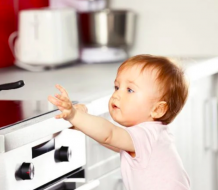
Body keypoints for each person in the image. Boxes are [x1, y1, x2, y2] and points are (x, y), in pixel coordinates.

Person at [48, 54, 190, 190]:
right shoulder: (154, 134)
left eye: (129, 90)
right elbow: (111, 141)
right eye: (117, 87)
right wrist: (82, 123)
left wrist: (74, 116)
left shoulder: (146, 135)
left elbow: (109, 134)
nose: (117, 94)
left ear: (157, 110)